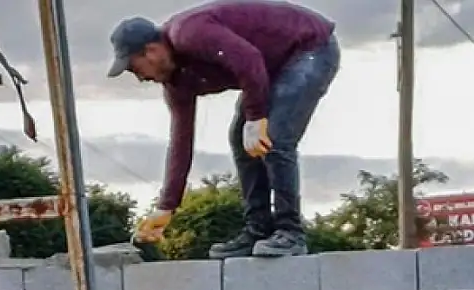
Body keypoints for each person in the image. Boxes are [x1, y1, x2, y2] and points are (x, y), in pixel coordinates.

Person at [106, 0, 341, 258]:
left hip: (310, 47)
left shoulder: (189, 33)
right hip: (271, 66)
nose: (140, 78)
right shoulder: (177, 84)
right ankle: (259, 229)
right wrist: (166, 206)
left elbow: (248, 60)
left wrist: (256, 117)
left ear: (150, 51)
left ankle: (290, 233)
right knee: (241, 139)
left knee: (274, 137)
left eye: (134, 68)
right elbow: (181, 142)